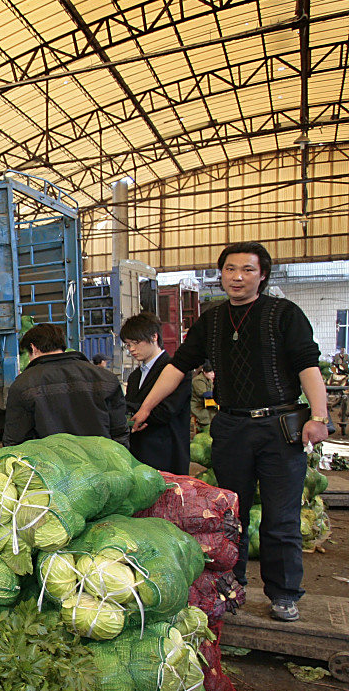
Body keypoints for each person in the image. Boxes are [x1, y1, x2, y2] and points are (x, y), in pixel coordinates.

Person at [131, 242, 329, 623]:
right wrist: (145, 406)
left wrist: (319, 416)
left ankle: (284, 593)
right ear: (221, 274)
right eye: (230, 269)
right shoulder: (212, 319)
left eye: (248, 270)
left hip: (279, 427)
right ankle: (231, 587)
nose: (238, 277)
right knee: (229, 516)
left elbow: (308, 365)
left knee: (281, 516)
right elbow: (179, 366)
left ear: (263, 275)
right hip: (232, 426)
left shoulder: (284, 314)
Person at [3, 323, 129, 447]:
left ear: (34, 348)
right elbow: (119, 433)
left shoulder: (23, 384)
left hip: (50, 466)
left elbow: (15, 441)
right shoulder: (106, 378)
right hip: (103, 464)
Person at [120, 312, 191, 474]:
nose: (131, 349)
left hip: (167, 456)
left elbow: (167, 411)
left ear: (154, 337)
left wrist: (133, 412)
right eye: (128, 344)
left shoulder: (176, 370)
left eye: (136, 343)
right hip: (139, 456)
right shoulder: (134, 376)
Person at [190, 362, 217, 430]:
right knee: (209, 417)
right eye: (210, 373)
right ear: (204, 372)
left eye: (213, 372)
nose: (213, 375)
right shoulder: (198, 380)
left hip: (207, 404)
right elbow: (204, 394)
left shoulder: (209, 380)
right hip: (198, 405)